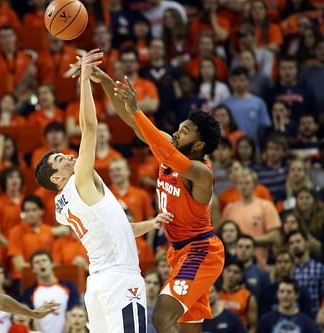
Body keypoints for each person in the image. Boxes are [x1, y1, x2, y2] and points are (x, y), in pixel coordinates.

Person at [35, 50, 159, 332]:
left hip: (98, 283)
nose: (68, 157)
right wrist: (86, 79)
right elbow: (89, 127)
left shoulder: (60, 206)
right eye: (60, 160)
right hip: (120, 280)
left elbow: (113, 229)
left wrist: (151, 224)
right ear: (56, 177)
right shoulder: (79, 180)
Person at [111, 65, 225, 331]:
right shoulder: (168, 148)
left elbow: (170, 156)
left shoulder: (200, 174)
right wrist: (105, 83)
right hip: (178, 253)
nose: (176, 133)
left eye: (185, 132)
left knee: (161, 317)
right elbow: (130, 119)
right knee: (188, 328)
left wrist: (137, 109)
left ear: (198, 146)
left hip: (200, 251)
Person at [22, 250, 80, 333]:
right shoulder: (29, 293)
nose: (41, 264)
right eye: (37, 262)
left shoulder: (69, 287)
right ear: (33, 269)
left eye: (44, 260)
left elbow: (73, 313)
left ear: (52, 264)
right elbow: (31, 319)